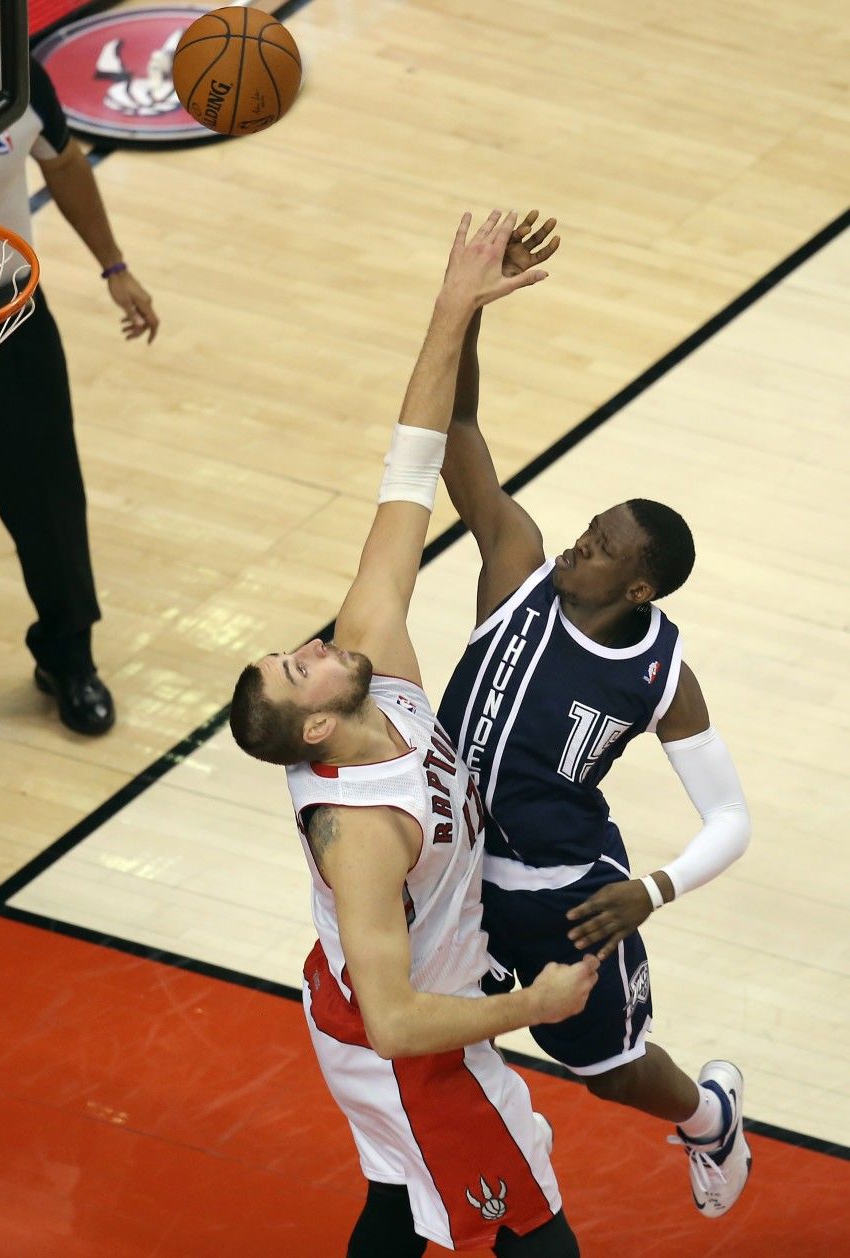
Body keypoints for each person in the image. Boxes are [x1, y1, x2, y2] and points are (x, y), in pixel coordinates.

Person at [230, 211, 600, 1258]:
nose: (313, 641)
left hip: (371, 1005)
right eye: (298, 663)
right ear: (316, 724)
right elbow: (395, 1022)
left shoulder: (370, 665)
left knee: (397, 1201)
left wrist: (454, 304)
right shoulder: (361, 837)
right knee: (529, 1219)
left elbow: (407, 467)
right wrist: (529, 1003)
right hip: (400, 1039)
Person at [435, 213, 753, 1219]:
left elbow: (730, 820)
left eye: (601, 543)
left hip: (566, 897)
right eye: (586, 527)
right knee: (433, 1039)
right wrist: (467, 312)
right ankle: (465, 1196)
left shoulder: (661, 675)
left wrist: (649, 890)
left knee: (609, 1072)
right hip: (450, 870)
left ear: (640, 584)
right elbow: (454, 431)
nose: (577, 543)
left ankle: (708, 1116)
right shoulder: (512, 568)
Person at [0, 40, 158, 753]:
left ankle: (68, 657)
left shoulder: (6, 74)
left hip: (10, 321)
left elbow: (65, 163)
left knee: (48, 502)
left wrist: (116, 266)